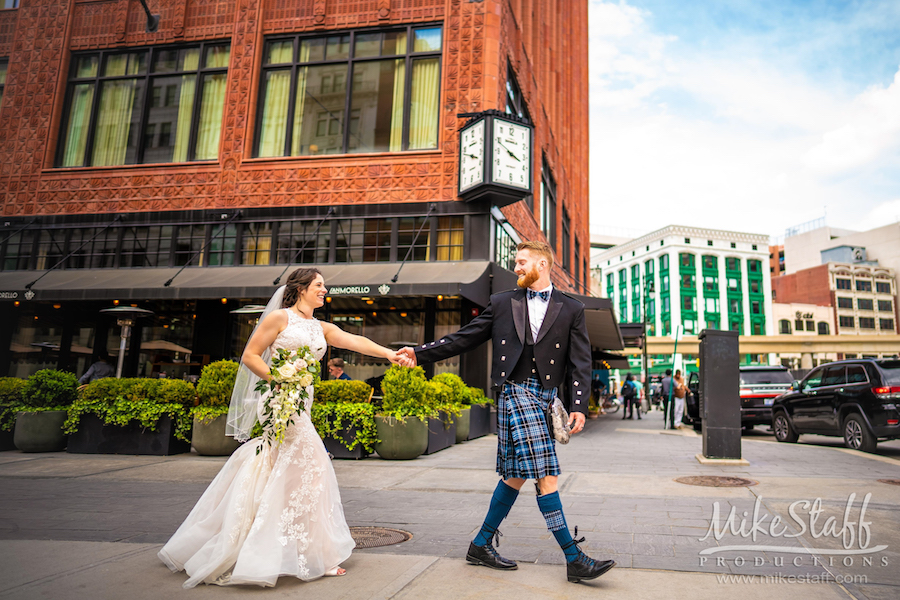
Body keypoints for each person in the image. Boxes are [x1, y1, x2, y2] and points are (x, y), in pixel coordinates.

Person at [159, 268, 411, 588]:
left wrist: (390, 353)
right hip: (279, 401)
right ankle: (315, 552)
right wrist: (278, 380)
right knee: (314, 467)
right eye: (319, 285)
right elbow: (250, 356)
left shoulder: (320, 326)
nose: (324, 290)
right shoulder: (279, 318)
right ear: (302, 288)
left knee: (281, 470)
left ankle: (273, 543)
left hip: (301, 402)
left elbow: (354, 340)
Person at [398, 240, 615, 584]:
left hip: (545, 399)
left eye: (522, 262)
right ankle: (574, 559)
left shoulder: (571, 308)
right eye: (516, 262)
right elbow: (465, 337)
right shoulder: (503, 303)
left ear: (543, 265)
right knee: (546, 472)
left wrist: (578, 405)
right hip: (515, 392)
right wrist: (421, 353)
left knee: (515, 474)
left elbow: (581, 361)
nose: (516, 267)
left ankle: (481, 543)